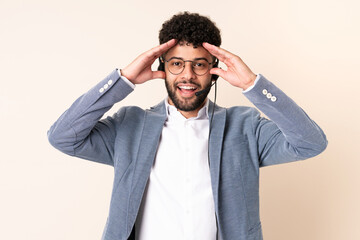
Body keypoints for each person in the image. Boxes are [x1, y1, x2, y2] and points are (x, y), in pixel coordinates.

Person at [48, 12, 327, 240]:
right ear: (163, 66)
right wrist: (123, 80)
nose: (188, 75)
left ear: (215, 70)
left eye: (200, 65)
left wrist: (252, 85)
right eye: (177, 63)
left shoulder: (245, 128)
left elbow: (310, 143)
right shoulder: (129, 125)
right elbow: (63, 137)